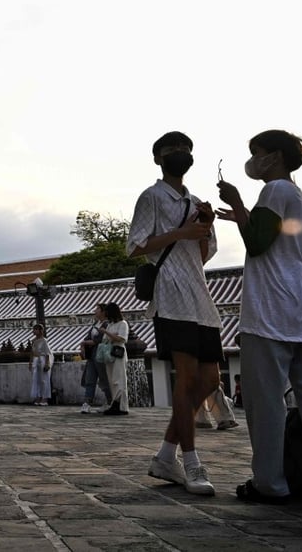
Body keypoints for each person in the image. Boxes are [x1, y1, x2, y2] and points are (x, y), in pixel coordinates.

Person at [217, 129, 302, 508]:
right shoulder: (299, 197)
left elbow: (257, 243)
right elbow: (273, 236)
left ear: (276, 156)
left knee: (265, 403)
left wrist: (237, 201)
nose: (254, 159)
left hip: (269, 310)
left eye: (258, 152)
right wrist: (243, 216)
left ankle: (270, 483)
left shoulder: (275, 190)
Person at [127, 131, 221, 496]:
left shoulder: (196, 201)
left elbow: (203, 253)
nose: (179, 154)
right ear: (158, 158)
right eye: (171, 150)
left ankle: (166, 454)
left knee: (210, 380)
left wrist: (203, 227)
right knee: (185, 379)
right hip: (170, 290)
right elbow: (136, 246)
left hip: (199, 292)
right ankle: (193, 461)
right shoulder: (151, 197)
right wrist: (180, 232)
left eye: (185, 149)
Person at [98, 303, 130, 415]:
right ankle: (115, 403)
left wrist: (107, 333)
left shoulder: (123, 324)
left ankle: (121, 405)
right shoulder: (110, 325)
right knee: (112, 379)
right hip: (109, 353)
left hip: (118, 352)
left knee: (119, 378)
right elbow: (106, 339)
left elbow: (121, 339)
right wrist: (110, 334)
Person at [81, 304, 114, 413]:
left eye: (98, 309)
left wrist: (85, 343)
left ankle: (110, 401)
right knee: (90, 378)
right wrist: (84, 344)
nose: (95, 311)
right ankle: (87, 402)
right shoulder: (96, 323)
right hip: (92, 355)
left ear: (103, 312)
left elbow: (98, 340)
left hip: (100, 353)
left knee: (104, 378)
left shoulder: (107, 324)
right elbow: (88, 336)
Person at [29, 324, 53, 406]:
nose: (34, 331)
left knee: (44, 380)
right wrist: (30, 362)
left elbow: (47, 353)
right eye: (34, 329)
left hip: (42, 360)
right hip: (36, 361)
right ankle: (38, 396)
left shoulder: (44, 341)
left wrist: (47, 363)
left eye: (36, 329)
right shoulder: (33, 341)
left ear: (40, 331)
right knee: (37, 380)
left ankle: (45, 398)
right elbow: (32, 352)